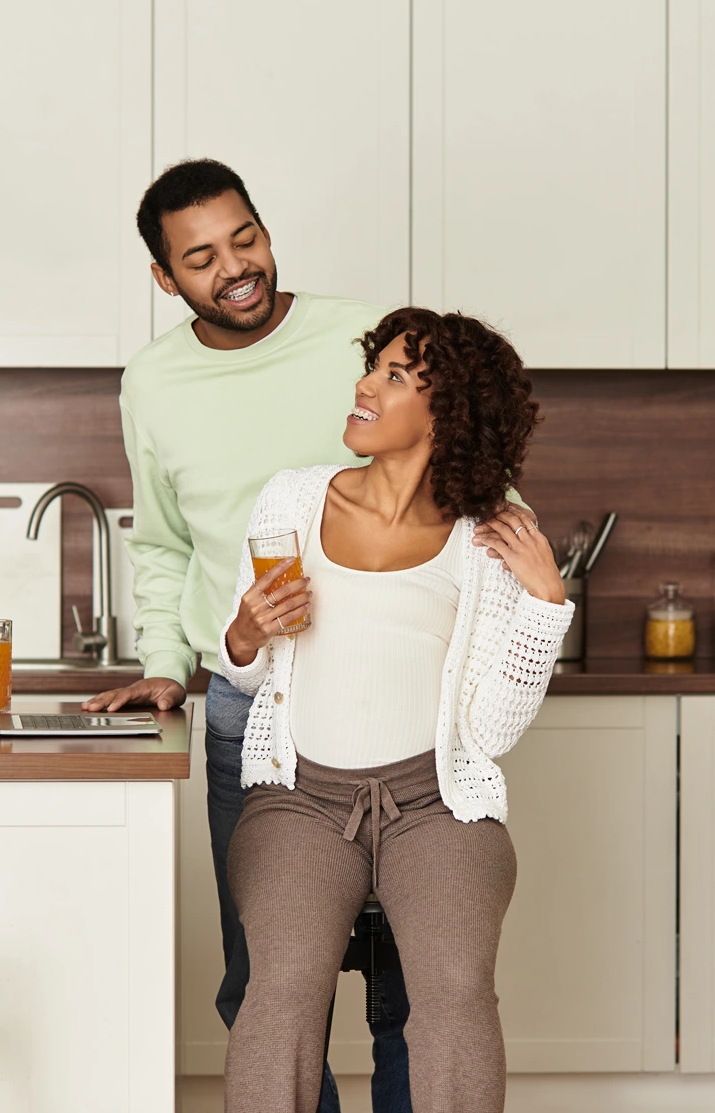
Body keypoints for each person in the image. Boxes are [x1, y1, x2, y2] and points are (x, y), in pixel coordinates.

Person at [83, 159, 536, 1113]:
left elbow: (470, 479)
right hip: (255, 710)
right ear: (167, 279)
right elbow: (161, 544)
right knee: (266, 984)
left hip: (414, 732)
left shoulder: (358, 336)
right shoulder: (153, 383)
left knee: (414, 990)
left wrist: (532, 591)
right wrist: (172, 663)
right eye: (200, 258)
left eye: (244, 238)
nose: (234, 267)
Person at [217, 306, 573, 1113]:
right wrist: (243, 633)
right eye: (373, 366)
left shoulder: (488, 542)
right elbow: (246, 675)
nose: (365, 386)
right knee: (283, 992)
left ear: (447, 413)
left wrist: (547, 604)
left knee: (454, 994)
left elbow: (488, 732)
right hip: (300, 799)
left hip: (435, 804)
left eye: (395, 377)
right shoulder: (292, 503)